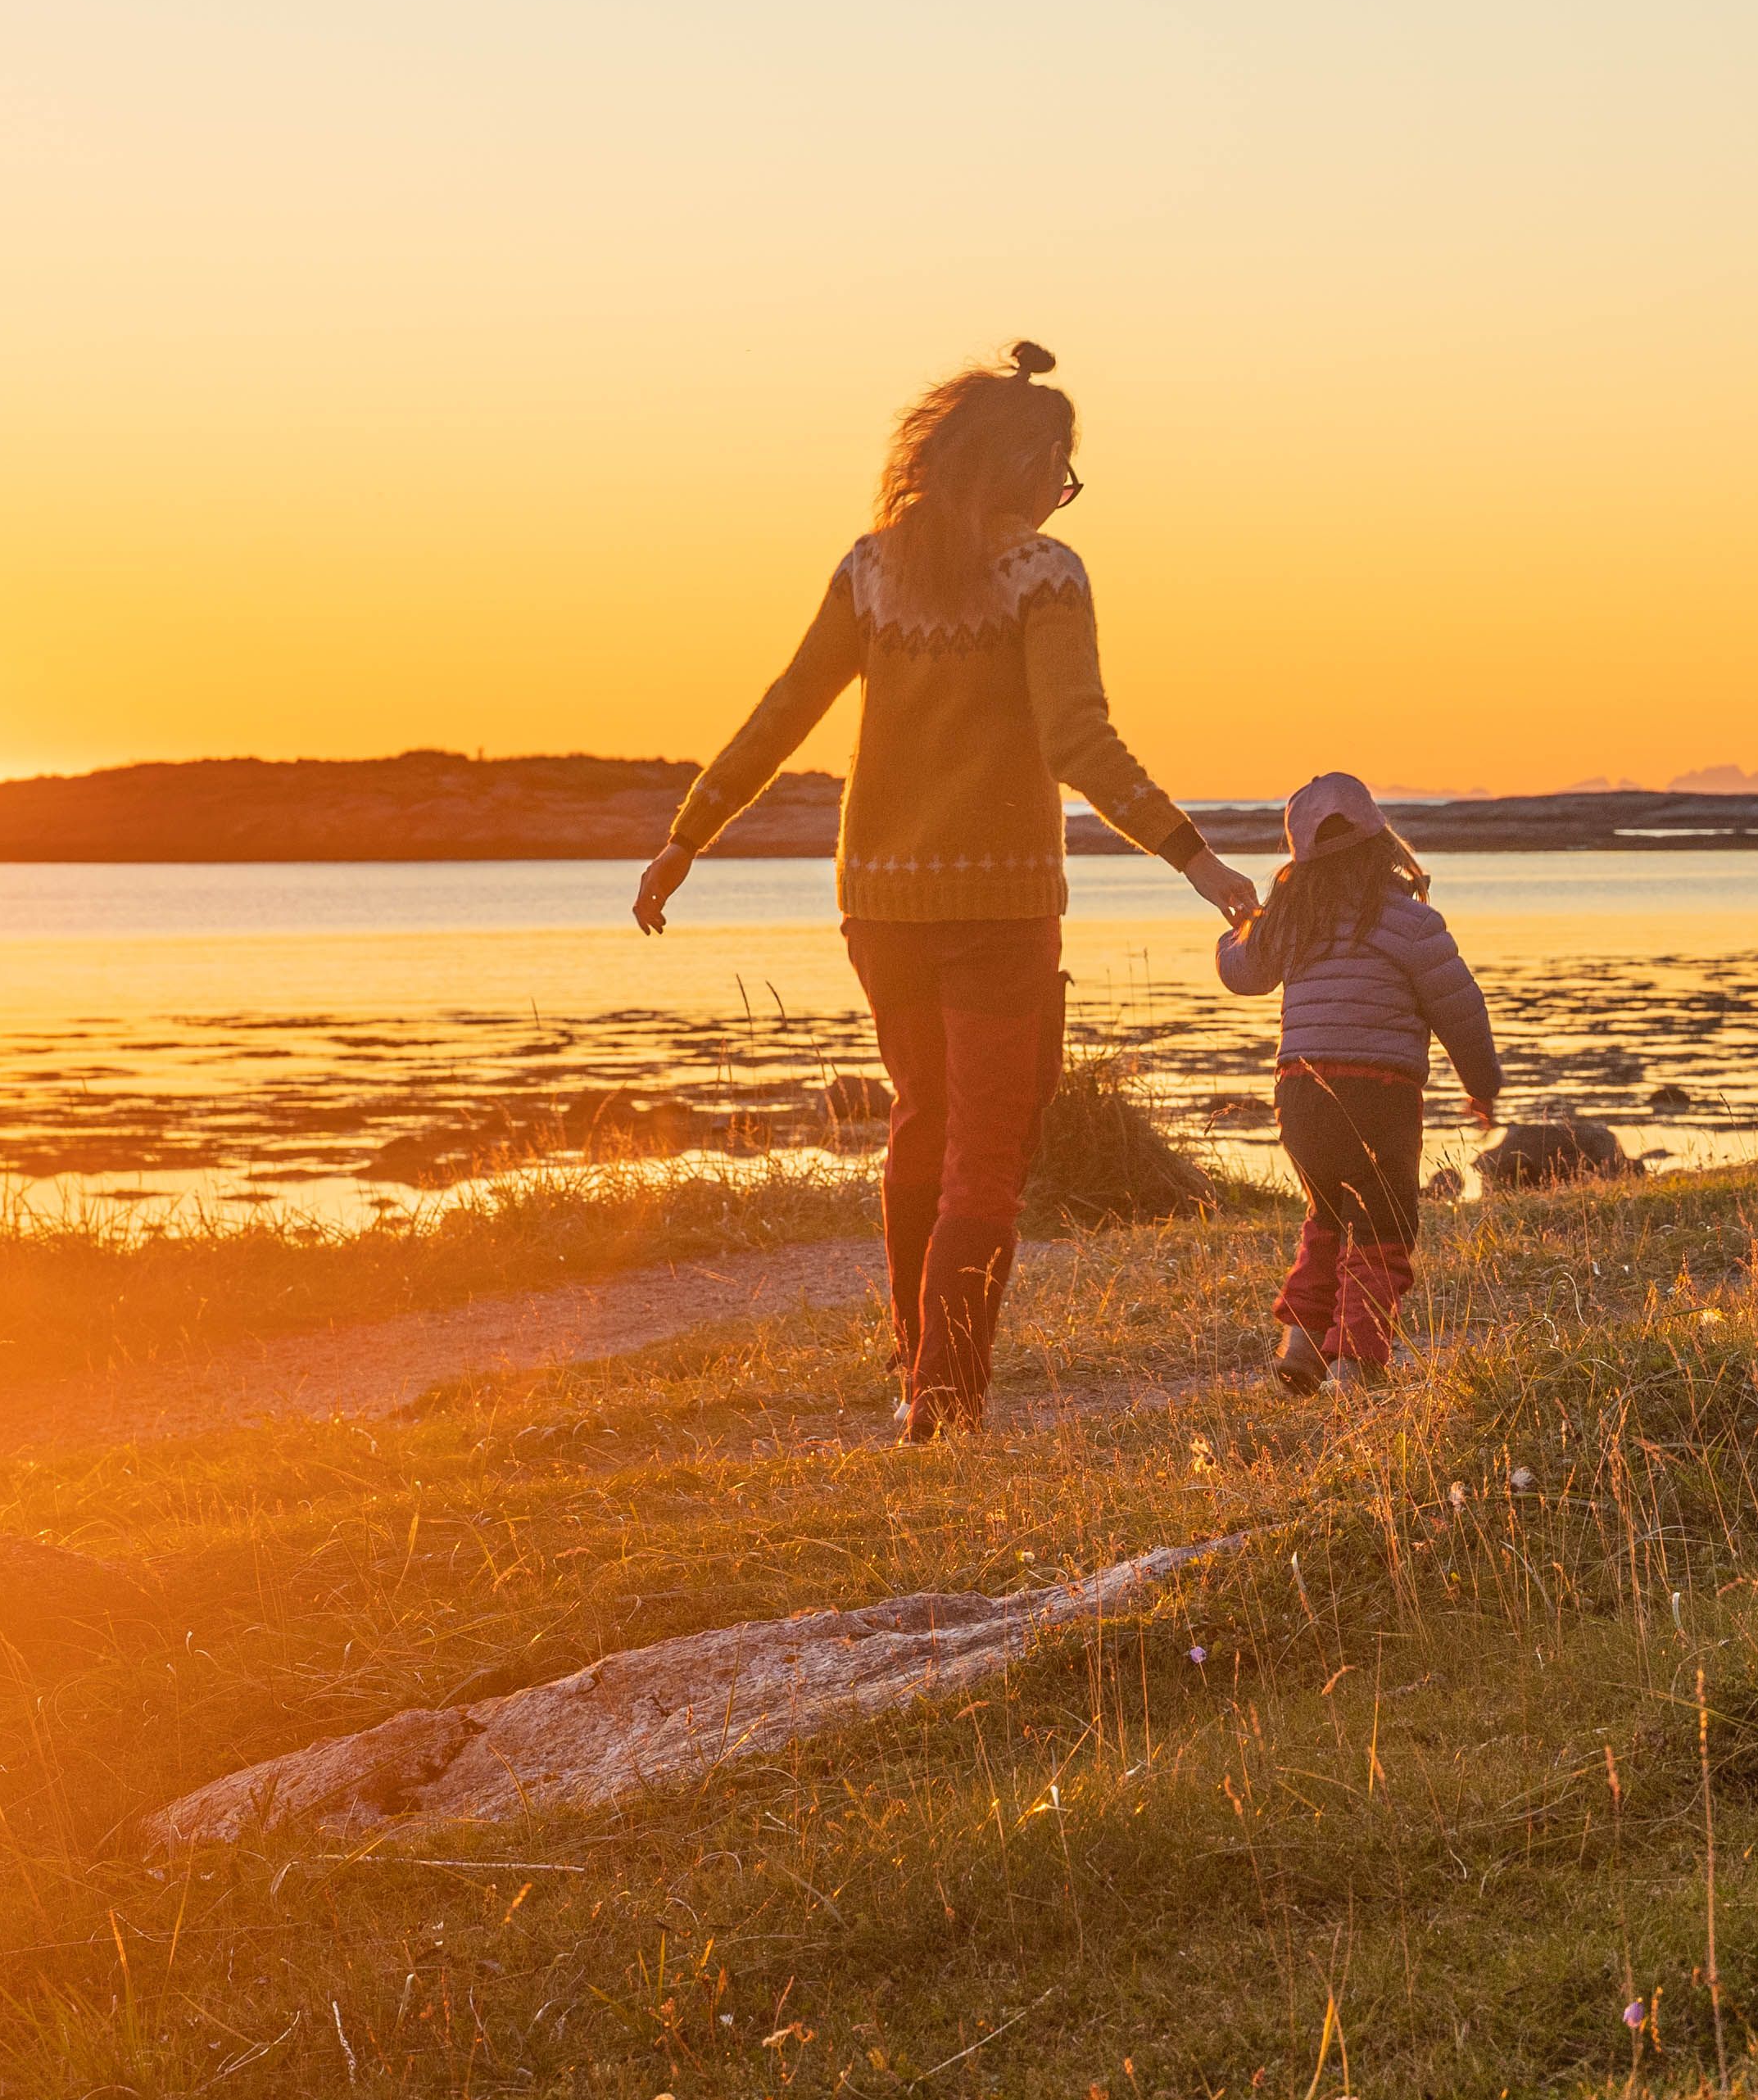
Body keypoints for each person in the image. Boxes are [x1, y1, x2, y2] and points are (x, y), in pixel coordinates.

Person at [633, 341, 1258, 1437]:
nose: (1060, 496)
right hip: (1003, 905)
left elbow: (784, 710)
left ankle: (917, 1372)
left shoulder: (870, 570)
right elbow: (1078, 738)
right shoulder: (1044, 573)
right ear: (1027, 467)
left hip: (879, 903)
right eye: (1059, 473)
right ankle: (947, 1392)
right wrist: (1194, 856)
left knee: (922, 1123)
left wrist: (687, 837)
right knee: (987, 1141)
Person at [1212, 771, 1497, 1392]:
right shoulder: (1413, 924)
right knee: (1383, 1226)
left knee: (1328, 1215)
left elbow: (1242, 973)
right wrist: (1482, 1084)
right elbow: (1460, 1009)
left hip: (1301, 1092)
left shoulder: (1288, 923)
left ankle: (1303, 1344)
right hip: (1381, 1094)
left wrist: (1238, 928)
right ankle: (1356, 1366)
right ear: (1384, 844)